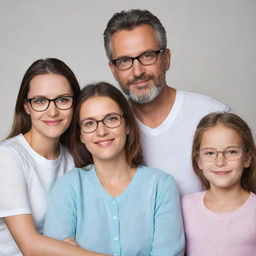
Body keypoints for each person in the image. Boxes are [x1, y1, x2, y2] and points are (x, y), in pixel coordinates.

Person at [43, 82, 185, 256]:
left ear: (127, 126)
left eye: (111, 119)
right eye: (89, 123)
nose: (101, 131)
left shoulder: (161, 186)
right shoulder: (68, 187)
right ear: (80, 135)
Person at [103, 9, 231, 195]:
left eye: (147, 55)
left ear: (166, 59)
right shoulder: (105, 131)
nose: (137, 71)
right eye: (124, 61)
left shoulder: (213, 115)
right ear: (113, 70)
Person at [0, 58, 111, 256]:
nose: (53, 111)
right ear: (26, 107)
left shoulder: (76, 157)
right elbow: (30, 246)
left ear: (75, 104)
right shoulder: (8, 158)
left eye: (62, 99)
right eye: (40, 101)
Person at [182, 112, 256, 255]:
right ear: (199, 161)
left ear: (247, 159)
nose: (220, 162)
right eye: (210, 153)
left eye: (231, 152)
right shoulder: (183, 207)